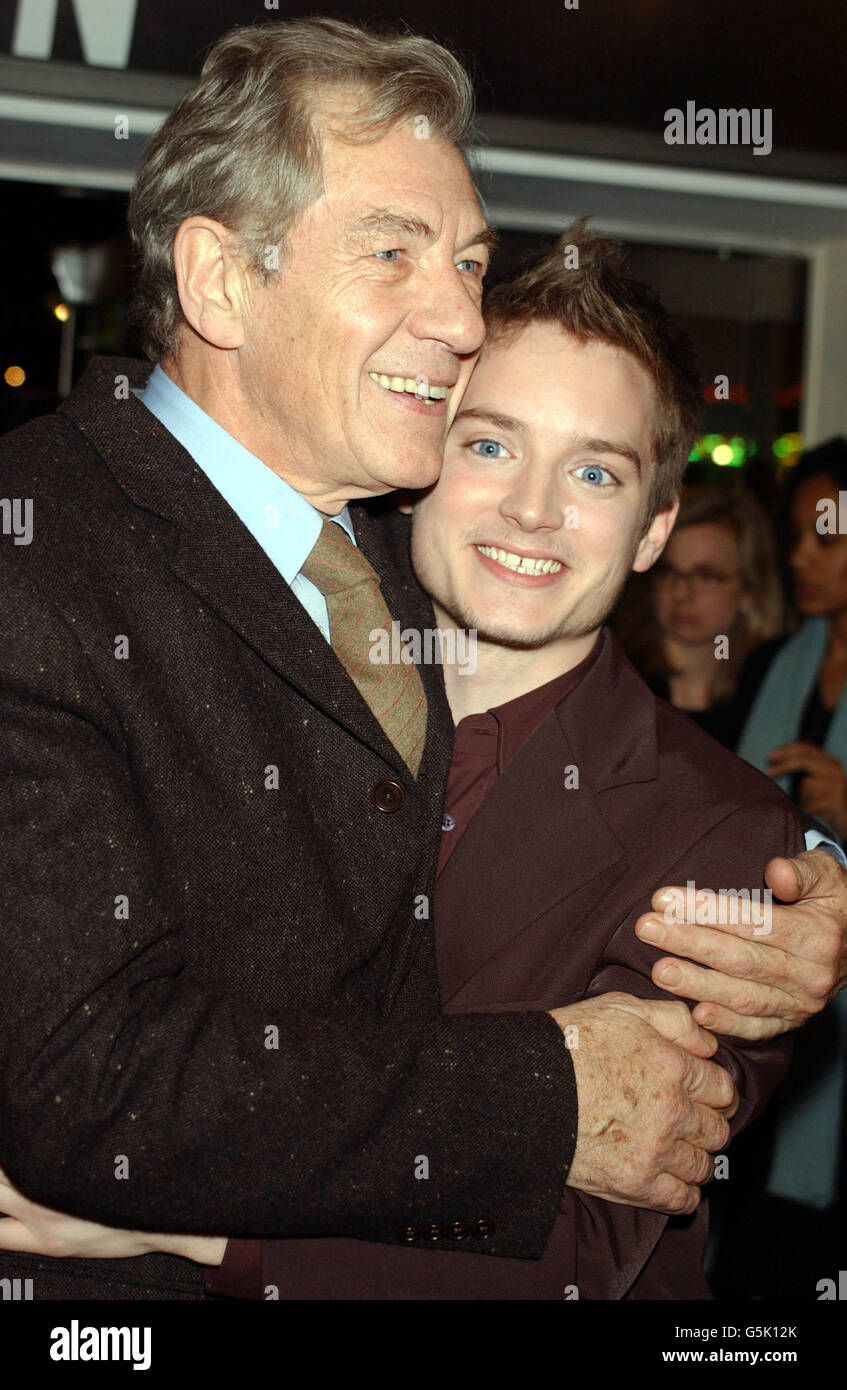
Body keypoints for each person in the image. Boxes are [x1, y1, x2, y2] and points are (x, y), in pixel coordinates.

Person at [0, 20, 845, 1303]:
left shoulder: (377, 545)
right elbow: (89, 1076)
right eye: (391, 251)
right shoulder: (46, 551)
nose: (457, 319)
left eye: (465, 260)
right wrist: (554, 1087)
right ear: (222, 283)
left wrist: (812, 876)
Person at [709, 437, 847, 1298]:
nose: (798, 556)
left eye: (825, 538)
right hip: (769, 1012)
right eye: (795, 535)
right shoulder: (771, 661)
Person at [618, 487, 783, 747]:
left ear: (748, 590)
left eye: (707, 576)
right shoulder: (617, 679)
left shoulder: (772, 689)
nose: (681, 593)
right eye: (670, 572)